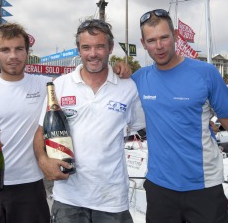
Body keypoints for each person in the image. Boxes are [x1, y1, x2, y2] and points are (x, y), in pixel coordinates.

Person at [0, 22, 131, 223]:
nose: (13, 56)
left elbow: (90, 73)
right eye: (5, 50)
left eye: (19, 49)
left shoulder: (48, 85)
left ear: (27, 52)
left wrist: (119, 68)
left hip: (30, 185)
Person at [132, 9, 228, 223]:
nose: (159, 46)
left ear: (175, 35)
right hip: (159, 188)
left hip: (204, 186)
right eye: (152, 40)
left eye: (164, 37)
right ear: (143, 42)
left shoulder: (205, 73)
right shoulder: (138, 79)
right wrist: (119, 69)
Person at [34, 18, 145, 223]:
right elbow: (41, 132)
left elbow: (137, 127)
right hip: (68, 197)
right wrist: (43, 161)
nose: (92, 54)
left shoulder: (128, 87)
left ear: (110, 48)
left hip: (112, 199)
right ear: (78, 49)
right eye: (86, 47)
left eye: (99, 47)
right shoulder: (60, 85)